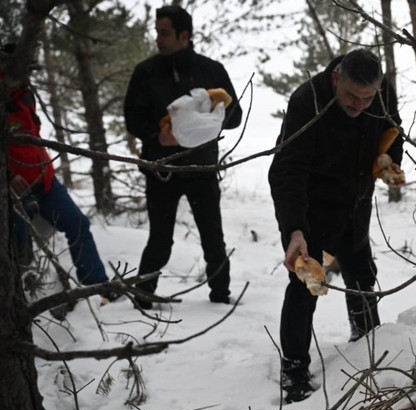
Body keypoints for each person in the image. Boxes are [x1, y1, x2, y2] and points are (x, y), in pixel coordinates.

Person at [268, 49, 403, 403]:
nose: (360, 104)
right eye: (351, 96)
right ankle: (295, 368)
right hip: (312, 211)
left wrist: (389, 161)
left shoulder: (381, 90)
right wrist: (295, 229)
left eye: (367, 97)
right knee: (307, 286)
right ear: (336, 78)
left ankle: (366, 340)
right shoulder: (306, 101)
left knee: (362, 275)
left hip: (355, 204)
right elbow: (286, 169)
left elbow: (391, 130)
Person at [124, 5, 242, 309]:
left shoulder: (211, 70)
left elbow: (235, 113)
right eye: (157, 32)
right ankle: (143, 298)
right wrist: (155, 136)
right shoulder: (146, 72)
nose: (158, 39)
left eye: (164, 33)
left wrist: (214, 121)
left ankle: (220, 299)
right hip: (161, 170)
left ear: (184, 35)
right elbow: (132, 118)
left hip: (201, 168)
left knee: (213, 240)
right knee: (159, 241)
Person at [2, 42, 119, 304]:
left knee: (78, 224)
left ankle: (96, 286)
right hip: (15, 191)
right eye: (25, 67)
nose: (29, 74)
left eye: (31, 68)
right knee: (21, 251)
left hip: (45, 183)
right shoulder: (4, 94)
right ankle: (28, 301)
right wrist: (8, 176)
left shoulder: (24, 94)